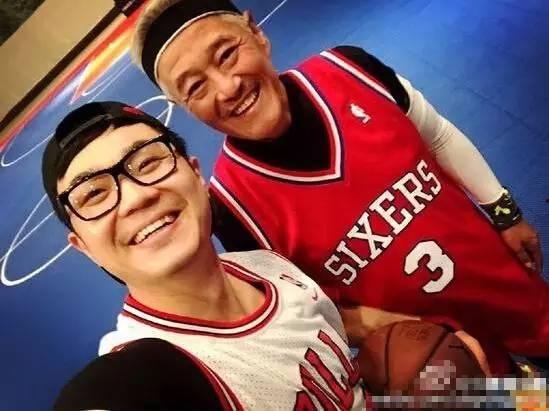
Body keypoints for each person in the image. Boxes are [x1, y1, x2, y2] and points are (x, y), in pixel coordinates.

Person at [130, 0, 548, 373]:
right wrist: (394, 335)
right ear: (185, 107)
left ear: (256, 33)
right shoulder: (234, 209)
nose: (228, 87)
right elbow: (305, 312)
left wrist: (503, 211)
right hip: (436, 348)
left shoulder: (350, 69)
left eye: (226, 54)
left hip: (500, 279)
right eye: (196, 87)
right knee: (517, 399)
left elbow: (436, 135)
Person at [42, 101, 369, 410]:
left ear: (197, 175)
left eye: (148, 162)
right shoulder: (140, 374)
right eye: (94, 194)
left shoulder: (270, 267)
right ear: (84, 246)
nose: (135, 197)